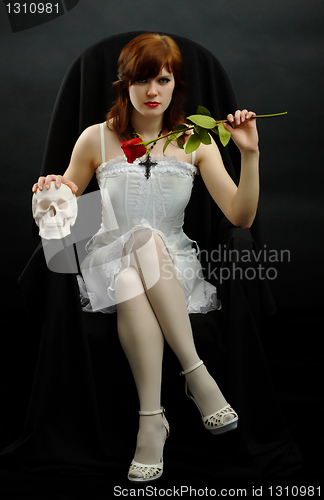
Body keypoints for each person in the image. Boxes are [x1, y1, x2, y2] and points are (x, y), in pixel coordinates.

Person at [32, 33, 259, 482]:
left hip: (168, 270)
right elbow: (67, 214)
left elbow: (241, 215)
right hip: (104, 260)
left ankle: (150, 421)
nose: (152, 92)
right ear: (125, 84)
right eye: (141, 81)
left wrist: (249, 155)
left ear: (176, 85)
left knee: (137, 270)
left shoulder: (197, 141)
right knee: (138, 241)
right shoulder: (96, 138)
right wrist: (52, 192)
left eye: (163, 79)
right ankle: (198, 378)